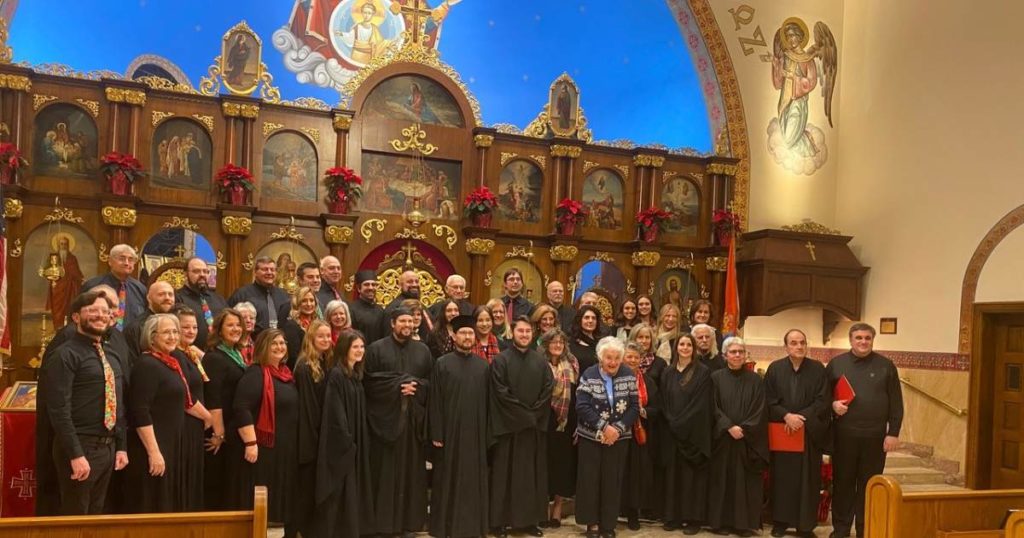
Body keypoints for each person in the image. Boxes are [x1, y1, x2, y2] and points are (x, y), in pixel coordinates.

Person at [43, 290, 129, 514]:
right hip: (79, 446)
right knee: (76, 515)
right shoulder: (65, 355)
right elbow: (59, 409)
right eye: (92, 310)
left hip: (108, 448)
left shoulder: (110, 354)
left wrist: (121, 447)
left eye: (105, 311)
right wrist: (76, 454)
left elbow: (118, 404)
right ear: (76, 317)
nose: (100, 315)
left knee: (96, 514)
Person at [126, 314, 211, 512]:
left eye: (175, 332)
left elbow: (184, 400)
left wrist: (208, 418)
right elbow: (140, 411)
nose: (173, 336)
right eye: (166, 332)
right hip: (154, 447)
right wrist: (154, 452)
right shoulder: (146, 364)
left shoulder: (170, 362)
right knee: (153, 504)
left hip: (172, 445)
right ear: (152, 336)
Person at [827, 323, 904, 538]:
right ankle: (841, 531)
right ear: (850, 340)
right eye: (858, 338)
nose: (863, 342)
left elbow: (896, 403)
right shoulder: (836, 364)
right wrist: (833, 405)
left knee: (869, 486)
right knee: (842, 484)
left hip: (875, 438)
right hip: (844, 436)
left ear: (873, 340)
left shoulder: (886, 366)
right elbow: (823, 397)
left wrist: (893, 432)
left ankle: (866, 530)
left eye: (867, 338)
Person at [363, 307, 434, 537]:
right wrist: (396, 386)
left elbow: (431, 383)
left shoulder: (423, 351)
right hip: (384, 424)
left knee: (412, 474)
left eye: (410, 321)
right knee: (384, 474)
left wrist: (417, 386)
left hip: (413, 423)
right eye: (402, 320)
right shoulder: (376, 349)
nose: (407, 324)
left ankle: (409, 523)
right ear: (392, 323)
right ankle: (382, 525)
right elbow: (369, 383)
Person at [489, 317, 554, 538]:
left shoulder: (541, 362)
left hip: (532, 431)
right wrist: (526, 415)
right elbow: (500, 392)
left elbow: (547, 391)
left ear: (532, 334)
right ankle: (501, 522)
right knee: (504, 477)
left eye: (528, 331)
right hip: (509, 430)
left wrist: (533, 415)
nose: (524, 334)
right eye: (520, 331)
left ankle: (529, 522)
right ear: (512, 333)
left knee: (531, 477)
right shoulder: (501, 360)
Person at [231, 329, 299, 533]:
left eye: (282, 343)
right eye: (274, 344)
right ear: (263, 347)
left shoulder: (286, 373)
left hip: (284, 446)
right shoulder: (256, 374)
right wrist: (251, 443)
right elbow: (241, 408)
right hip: (262, 447)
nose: (280, 347)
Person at [429, 315, 490, 538]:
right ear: (454, 336)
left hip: (475, 432)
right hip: (450, 432)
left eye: (470, 333)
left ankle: (473, 526)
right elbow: (434, 400)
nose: (467, 337)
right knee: (447, 479)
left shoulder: (483, 367)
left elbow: (489, 403)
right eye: (463, 333)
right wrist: (437, 432)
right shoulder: (442, 364)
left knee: (473, 480)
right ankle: (445, 527)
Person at [764, 329, 830, 538]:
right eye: (794, 343)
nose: (799, 346)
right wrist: (786, 416)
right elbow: (768, 399)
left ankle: (805, 526)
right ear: (786, 346)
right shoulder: (775, 369)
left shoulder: (818, 369)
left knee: (808, 480)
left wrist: (800, 417)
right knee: (782, 479)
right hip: (784, 433)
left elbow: (823, 399)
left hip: (808, 432)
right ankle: (780, 522)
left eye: (802, 342)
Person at [575, 337, 640, 538]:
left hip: (618, 439)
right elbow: (582, 406)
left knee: (612, 481)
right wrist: (604, 427)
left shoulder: (629, 375)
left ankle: (608, 525)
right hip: (591, 437)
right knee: (590, 481)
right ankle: (592, 524)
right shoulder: (589, 374)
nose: (612, 362)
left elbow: (634, 407)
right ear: (600, 358)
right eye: (608, 358)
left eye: (616, 358)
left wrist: (617, 430)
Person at [314, 331, 374, 538]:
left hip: (354, 442)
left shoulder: (355, 374)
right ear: (344, 349)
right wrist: (348, 441)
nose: (360, 351)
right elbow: (335, 413)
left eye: (362, 347)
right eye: (355, 347)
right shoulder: (337, 375)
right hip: (343, 447)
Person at [707, 337, 768, 537]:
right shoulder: (715, 378)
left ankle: (743, 524)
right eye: (733, 352)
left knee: (745, 483)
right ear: (725, 356)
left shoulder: (756, 380)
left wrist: (744, 428)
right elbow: (712, 406)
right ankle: (721, 522)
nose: (737, 355)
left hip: (746, 440)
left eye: (741, 352)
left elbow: (760, 408)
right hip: (723, 439)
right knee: (722, 481)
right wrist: (728, 426)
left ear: (745, 355)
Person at [660, 333, 712, 535]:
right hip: (672, 434)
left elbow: (700, 404)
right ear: (676, 348)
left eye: (688, 344)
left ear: (694, 348)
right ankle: (673, 517)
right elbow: (664, 400)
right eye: (681, 344)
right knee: (673, 477)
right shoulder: (668, 372)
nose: (684, 348)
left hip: (693, 435)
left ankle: (693, 519)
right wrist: (671, 420)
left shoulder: (703, 372)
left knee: (692, 480)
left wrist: (680, 423)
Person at [201, 308, 247, 510]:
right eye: (230, 325)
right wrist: (219, 434)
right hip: (219, 430)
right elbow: (213, 398)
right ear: (218, 330)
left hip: (233, 425)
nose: (235, 329)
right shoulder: (214, 357)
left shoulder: (235, 352)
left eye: (238, 325)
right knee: (216, 485)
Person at [292, 320, 334, 537]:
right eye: (321, 336)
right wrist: (317, 443)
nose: (326, 340)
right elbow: (309, 411)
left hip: (322, 436)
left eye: (328, 336)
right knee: (306, 490)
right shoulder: (305, 367)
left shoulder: (325, 362)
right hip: (310, 440)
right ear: (311, 339)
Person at [620, 342, 661, 529]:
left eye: (636, 357)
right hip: (617, 434)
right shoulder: (614, 378)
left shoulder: (649, 382)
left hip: (639, 435)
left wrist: (643, 412)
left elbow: (658, 408)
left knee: (635, 476)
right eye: (629, 356)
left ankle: (632, 514)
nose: (632, 360)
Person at [540, 327, 579, 529]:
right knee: (544, 466)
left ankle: (557, 509)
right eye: (553, 342)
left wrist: (577, 422)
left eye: (561, 343)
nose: (557, 345)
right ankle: (541, 509)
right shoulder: (538, 364)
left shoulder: (571, 364)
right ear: (546, 345)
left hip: (566, 422)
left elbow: (578, 395)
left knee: (562, 467)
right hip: (544, 421)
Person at [174, 305, 211, 511]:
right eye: (185, 327)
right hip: (185, 425)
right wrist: (209, 418)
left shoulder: (190, 353)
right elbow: (185, 395)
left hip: (196, 425)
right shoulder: (176, 356)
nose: (190, 331)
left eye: (194, 327)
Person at [83, 244, 146, 331]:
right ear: (110, 261)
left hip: (130, 342)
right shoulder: (93, 286)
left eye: (131, 259)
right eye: (122, 259)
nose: (127, 263)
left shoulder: (140, 289)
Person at [175, 257, 228, 349]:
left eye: (205, 271)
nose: (202, 275)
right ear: (185, 274)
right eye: (196, 271)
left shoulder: (218, 299)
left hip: (219, 352)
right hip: (189, 354)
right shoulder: (177, 298)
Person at [123, 280, 177, 363]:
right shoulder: (136, 328)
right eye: (161, 294)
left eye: (170, 294)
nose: (167, 298)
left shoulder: (177, 323)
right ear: (149, 298)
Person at [46, 234, 84, 329]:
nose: (63, 246)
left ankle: (67, 329)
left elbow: (76, 272)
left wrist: (81, 279)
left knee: (69, 308)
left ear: (68, 245)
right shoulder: (53, 257)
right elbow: (47, 271)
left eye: (65, 244)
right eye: (61, 244)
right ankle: (57, 328)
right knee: (56, 310)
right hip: (56, 289)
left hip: (69, 289)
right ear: (58, 245)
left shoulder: (72, 258)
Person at [281, 286, 318, 369]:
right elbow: (293, 357)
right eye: (304, 301)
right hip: (300, 370)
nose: (309, 304)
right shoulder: (291, 326)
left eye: (311, 300)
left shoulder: (317, 323)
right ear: (297, 303)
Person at [348, 269, 386, 344]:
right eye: (366, 284)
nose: (371, 288)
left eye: (373, 285)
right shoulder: (351, 310)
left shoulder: (381, 310)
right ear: (359, 288)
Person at [569, 305, 603, 373]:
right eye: (586, 318)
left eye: (593, 318)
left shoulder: (601, 343)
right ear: (580, 320)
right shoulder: (571, 343)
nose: (590, 321)